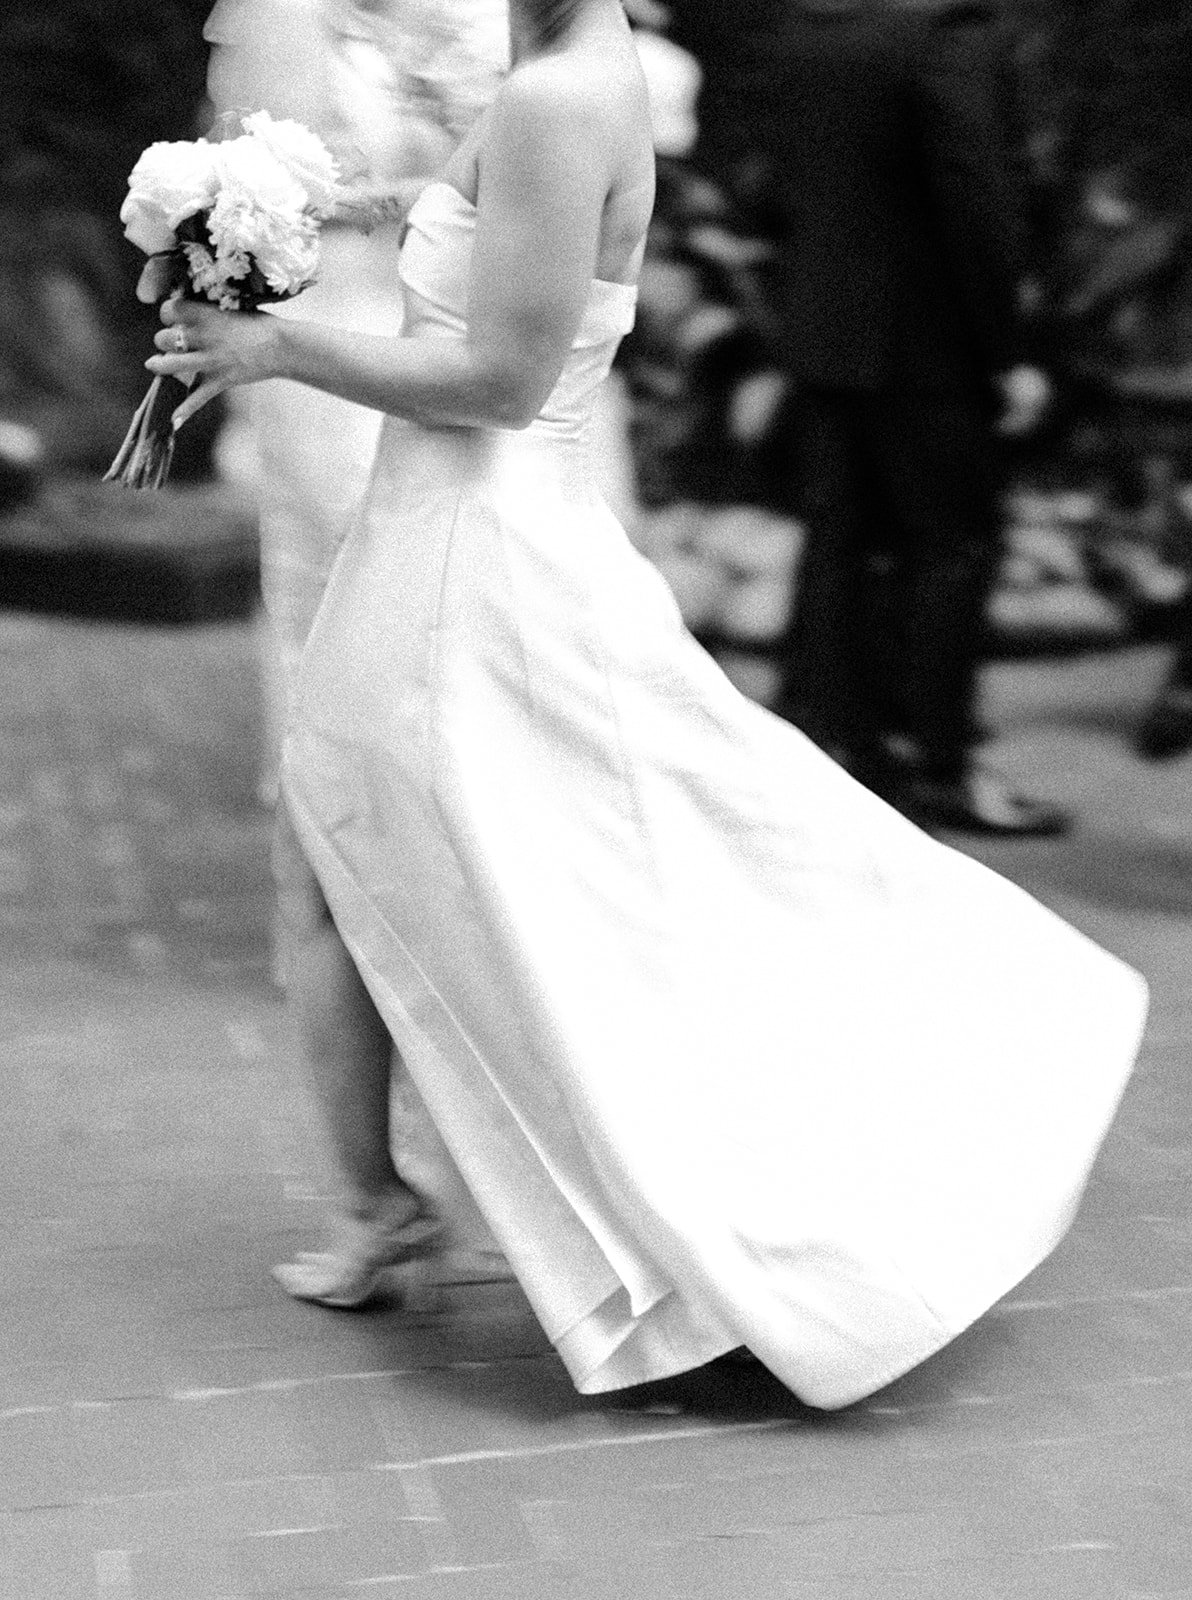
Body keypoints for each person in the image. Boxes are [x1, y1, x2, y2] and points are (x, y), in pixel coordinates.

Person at [148, 0, 1147, 1411]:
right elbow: (485, 234)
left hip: (474, 565)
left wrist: (274, 352)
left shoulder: (560, 94)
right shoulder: (550, 69)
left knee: (548, 891)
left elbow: (497, 382)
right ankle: (457, 1205)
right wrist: (312, 200)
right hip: (457, 545)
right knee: (546, 874)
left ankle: (698, 1212)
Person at [753, 0, 1066, 834]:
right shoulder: (948, 35)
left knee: (838, 544)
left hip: (825, 332)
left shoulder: (812, 31)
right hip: (927, 339)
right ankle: (939, 765)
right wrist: (1008, 350)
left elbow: (778, 182)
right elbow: (979, 196)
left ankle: (828, 754)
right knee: (952, 547)